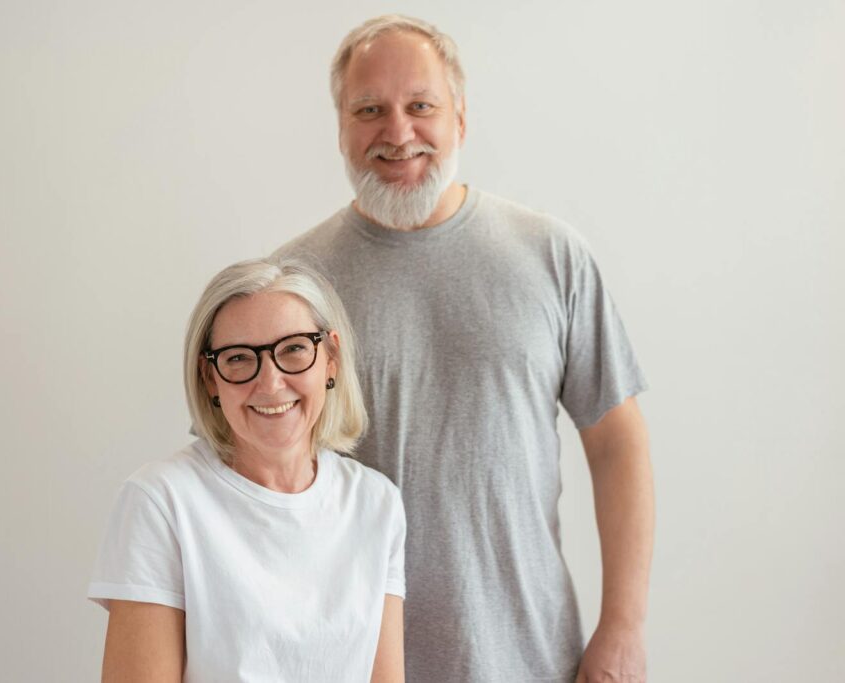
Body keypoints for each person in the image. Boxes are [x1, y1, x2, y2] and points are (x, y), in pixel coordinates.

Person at [276, 14, 654, 683]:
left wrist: (622, 627)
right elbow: (242, 484)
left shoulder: (551, 256)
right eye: (370, 110)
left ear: (460, 119)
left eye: (421, 105)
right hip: (345, 664)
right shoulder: (290, 286)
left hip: (532, 658)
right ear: (340, 127)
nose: (398, 133)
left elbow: (617, 442)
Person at [87, 257, 407, 682]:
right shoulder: (161, 501)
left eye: (293, 349)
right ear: (210, 379)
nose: (271, 382)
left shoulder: (376, 503)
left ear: (330, 357)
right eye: (238, 358)